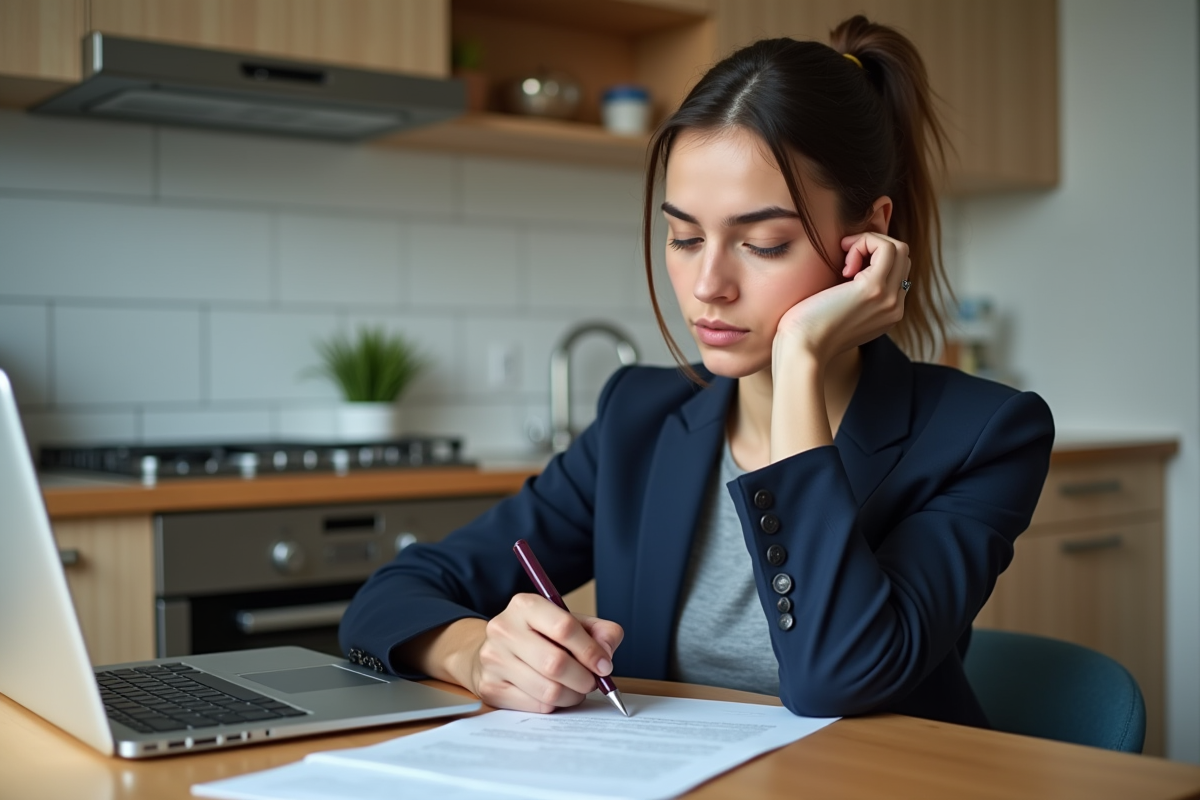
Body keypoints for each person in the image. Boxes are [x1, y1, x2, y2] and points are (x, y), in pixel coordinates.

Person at [339, 16, 1054, 728]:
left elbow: (840, 678)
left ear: (865, 238)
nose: (707, 283)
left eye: (764, 244)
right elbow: (391, 596)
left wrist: (800, 360)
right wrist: (474, 652)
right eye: (683, 236)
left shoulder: (982, 435)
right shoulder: (640, 418)